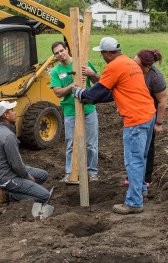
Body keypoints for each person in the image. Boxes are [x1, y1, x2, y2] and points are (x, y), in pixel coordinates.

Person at [72, 37, 156, 214]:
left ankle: (134, 202)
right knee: (141, 157)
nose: (102, 57)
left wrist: (82, 93)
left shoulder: (114, 66)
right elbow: (112, 93)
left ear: (108, 53)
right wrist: (89, 96)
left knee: (134, 161)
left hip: (136, 119)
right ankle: (140, 190)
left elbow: (100, 91)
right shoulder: (129, 63)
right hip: (149, 113)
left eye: (102, 53)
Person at [50, 41, 100, 182]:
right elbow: (58, 93)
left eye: (61, 50)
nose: (60, 54)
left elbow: (100, 82)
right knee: (71, 144)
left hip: (88, 109)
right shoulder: (55, 71)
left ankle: (92, 172)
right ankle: (71, 173)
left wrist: (92, 73)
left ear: (67, 49)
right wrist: (74, 85)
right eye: (56, 53)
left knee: (91, 144)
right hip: (70, 112)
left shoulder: (83, 63)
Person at [0, 101, 50, 207]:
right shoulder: (8, 136)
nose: (15, 113)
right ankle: (7, 195)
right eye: (12, 111)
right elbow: (16, 164)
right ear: (6, 115)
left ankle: (22, 190)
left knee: (43, 175)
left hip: (2, 173)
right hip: (7, 178)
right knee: (45, 196)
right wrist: (27, 177)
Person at [133, 49, 167, 185]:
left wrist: (158, 123)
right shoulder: (133, 68)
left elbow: (162, 101)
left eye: (137, 64)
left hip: (149, 115)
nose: (134, 65)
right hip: (134, 114)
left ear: (147, 66)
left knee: (147, 147)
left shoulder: (155, 77)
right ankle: (133, 176)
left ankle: (146, 178)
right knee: (134, 146)